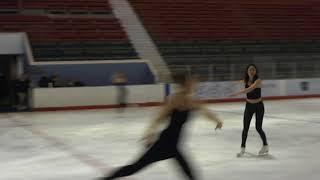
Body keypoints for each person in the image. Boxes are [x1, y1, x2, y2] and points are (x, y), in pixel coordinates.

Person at [98, 72, 223, 180]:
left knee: (189, 173)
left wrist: (217, 120)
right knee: (134, 168)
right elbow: (159, 118)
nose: (196, 84)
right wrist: (150, 133)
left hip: (174, 145)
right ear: (186, 83)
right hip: (164, 143)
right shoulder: (175, 99)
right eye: (193, 82)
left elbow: (204, 111)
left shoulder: (192, 100)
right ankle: (106, 178)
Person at [230, 64, 269, 156]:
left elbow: (249, 89)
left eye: (253, 70)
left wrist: (236, 93)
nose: (252, 71)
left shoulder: (258, 81)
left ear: (255, 71)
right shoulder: (246, 80)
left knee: (258, 127)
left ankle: (265, 145)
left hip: (259, 106)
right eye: (250, 70)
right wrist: (235, 82)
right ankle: (242, 148)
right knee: (245, 128)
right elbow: (242, 81)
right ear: (247, 71)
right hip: (249, 106)